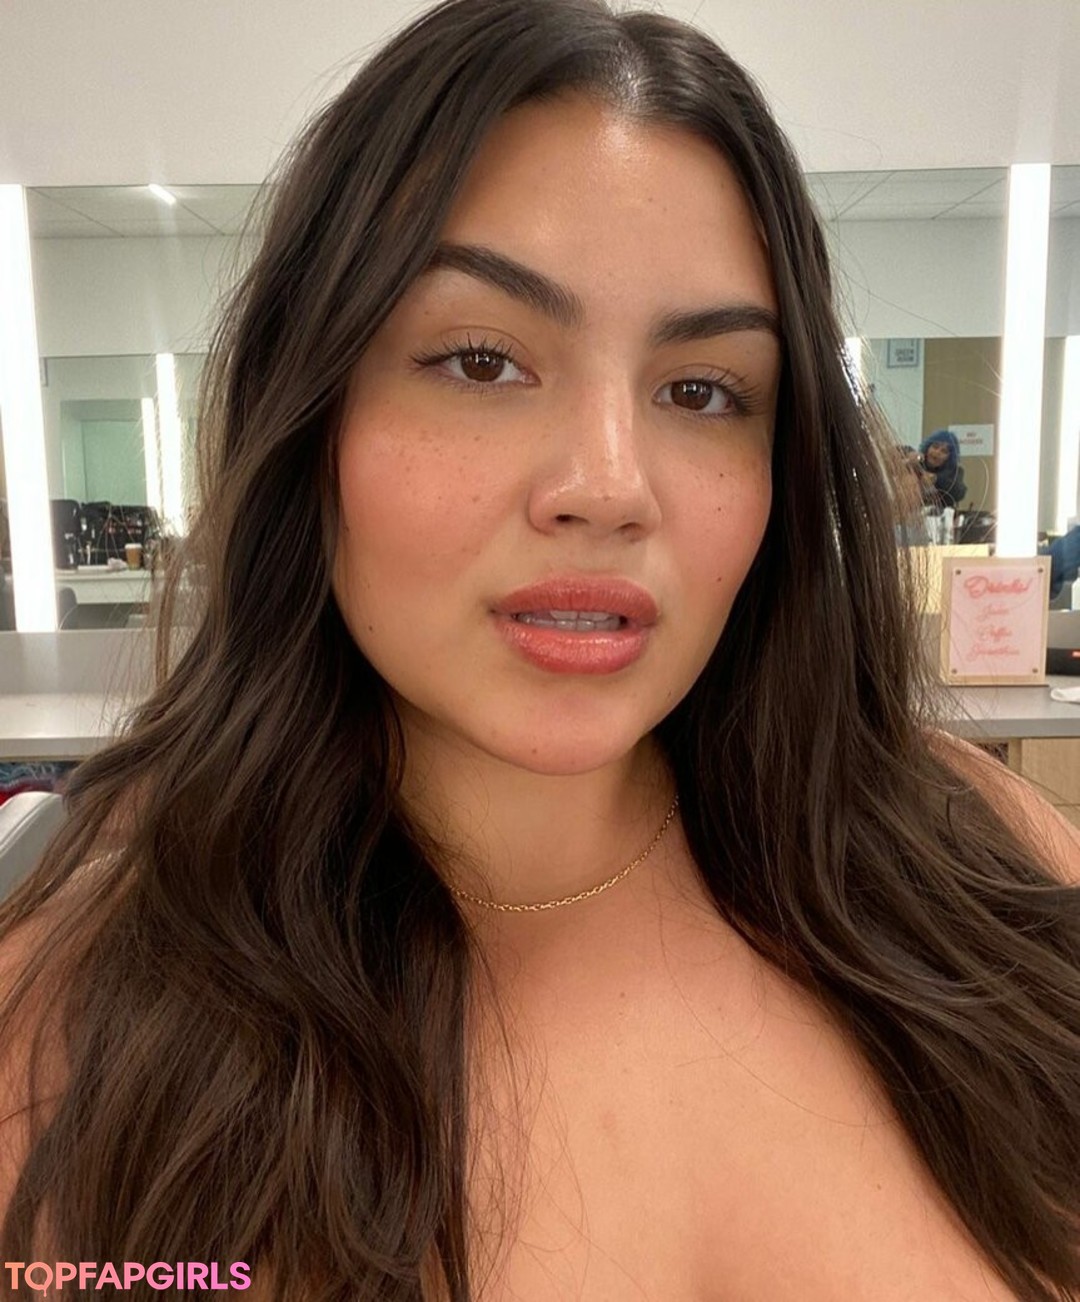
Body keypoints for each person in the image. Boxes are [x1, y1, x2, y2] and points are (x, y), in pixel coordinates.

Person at [0, 1, 1077, 1299]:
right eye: (479, 361)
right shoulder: (66, 1038)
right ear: (311, 410)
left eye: (702, 391)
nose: (609, 486)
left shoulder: (988, 872)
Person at [914, 428, 968, 510]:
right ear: (927, 447)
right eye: (935, 447)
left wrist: (936, 479)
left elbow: (959, 492)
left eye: (944, 451)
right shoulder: (916, 464)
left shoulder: (955, 472)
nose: (937, 452)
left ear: (949, 457)